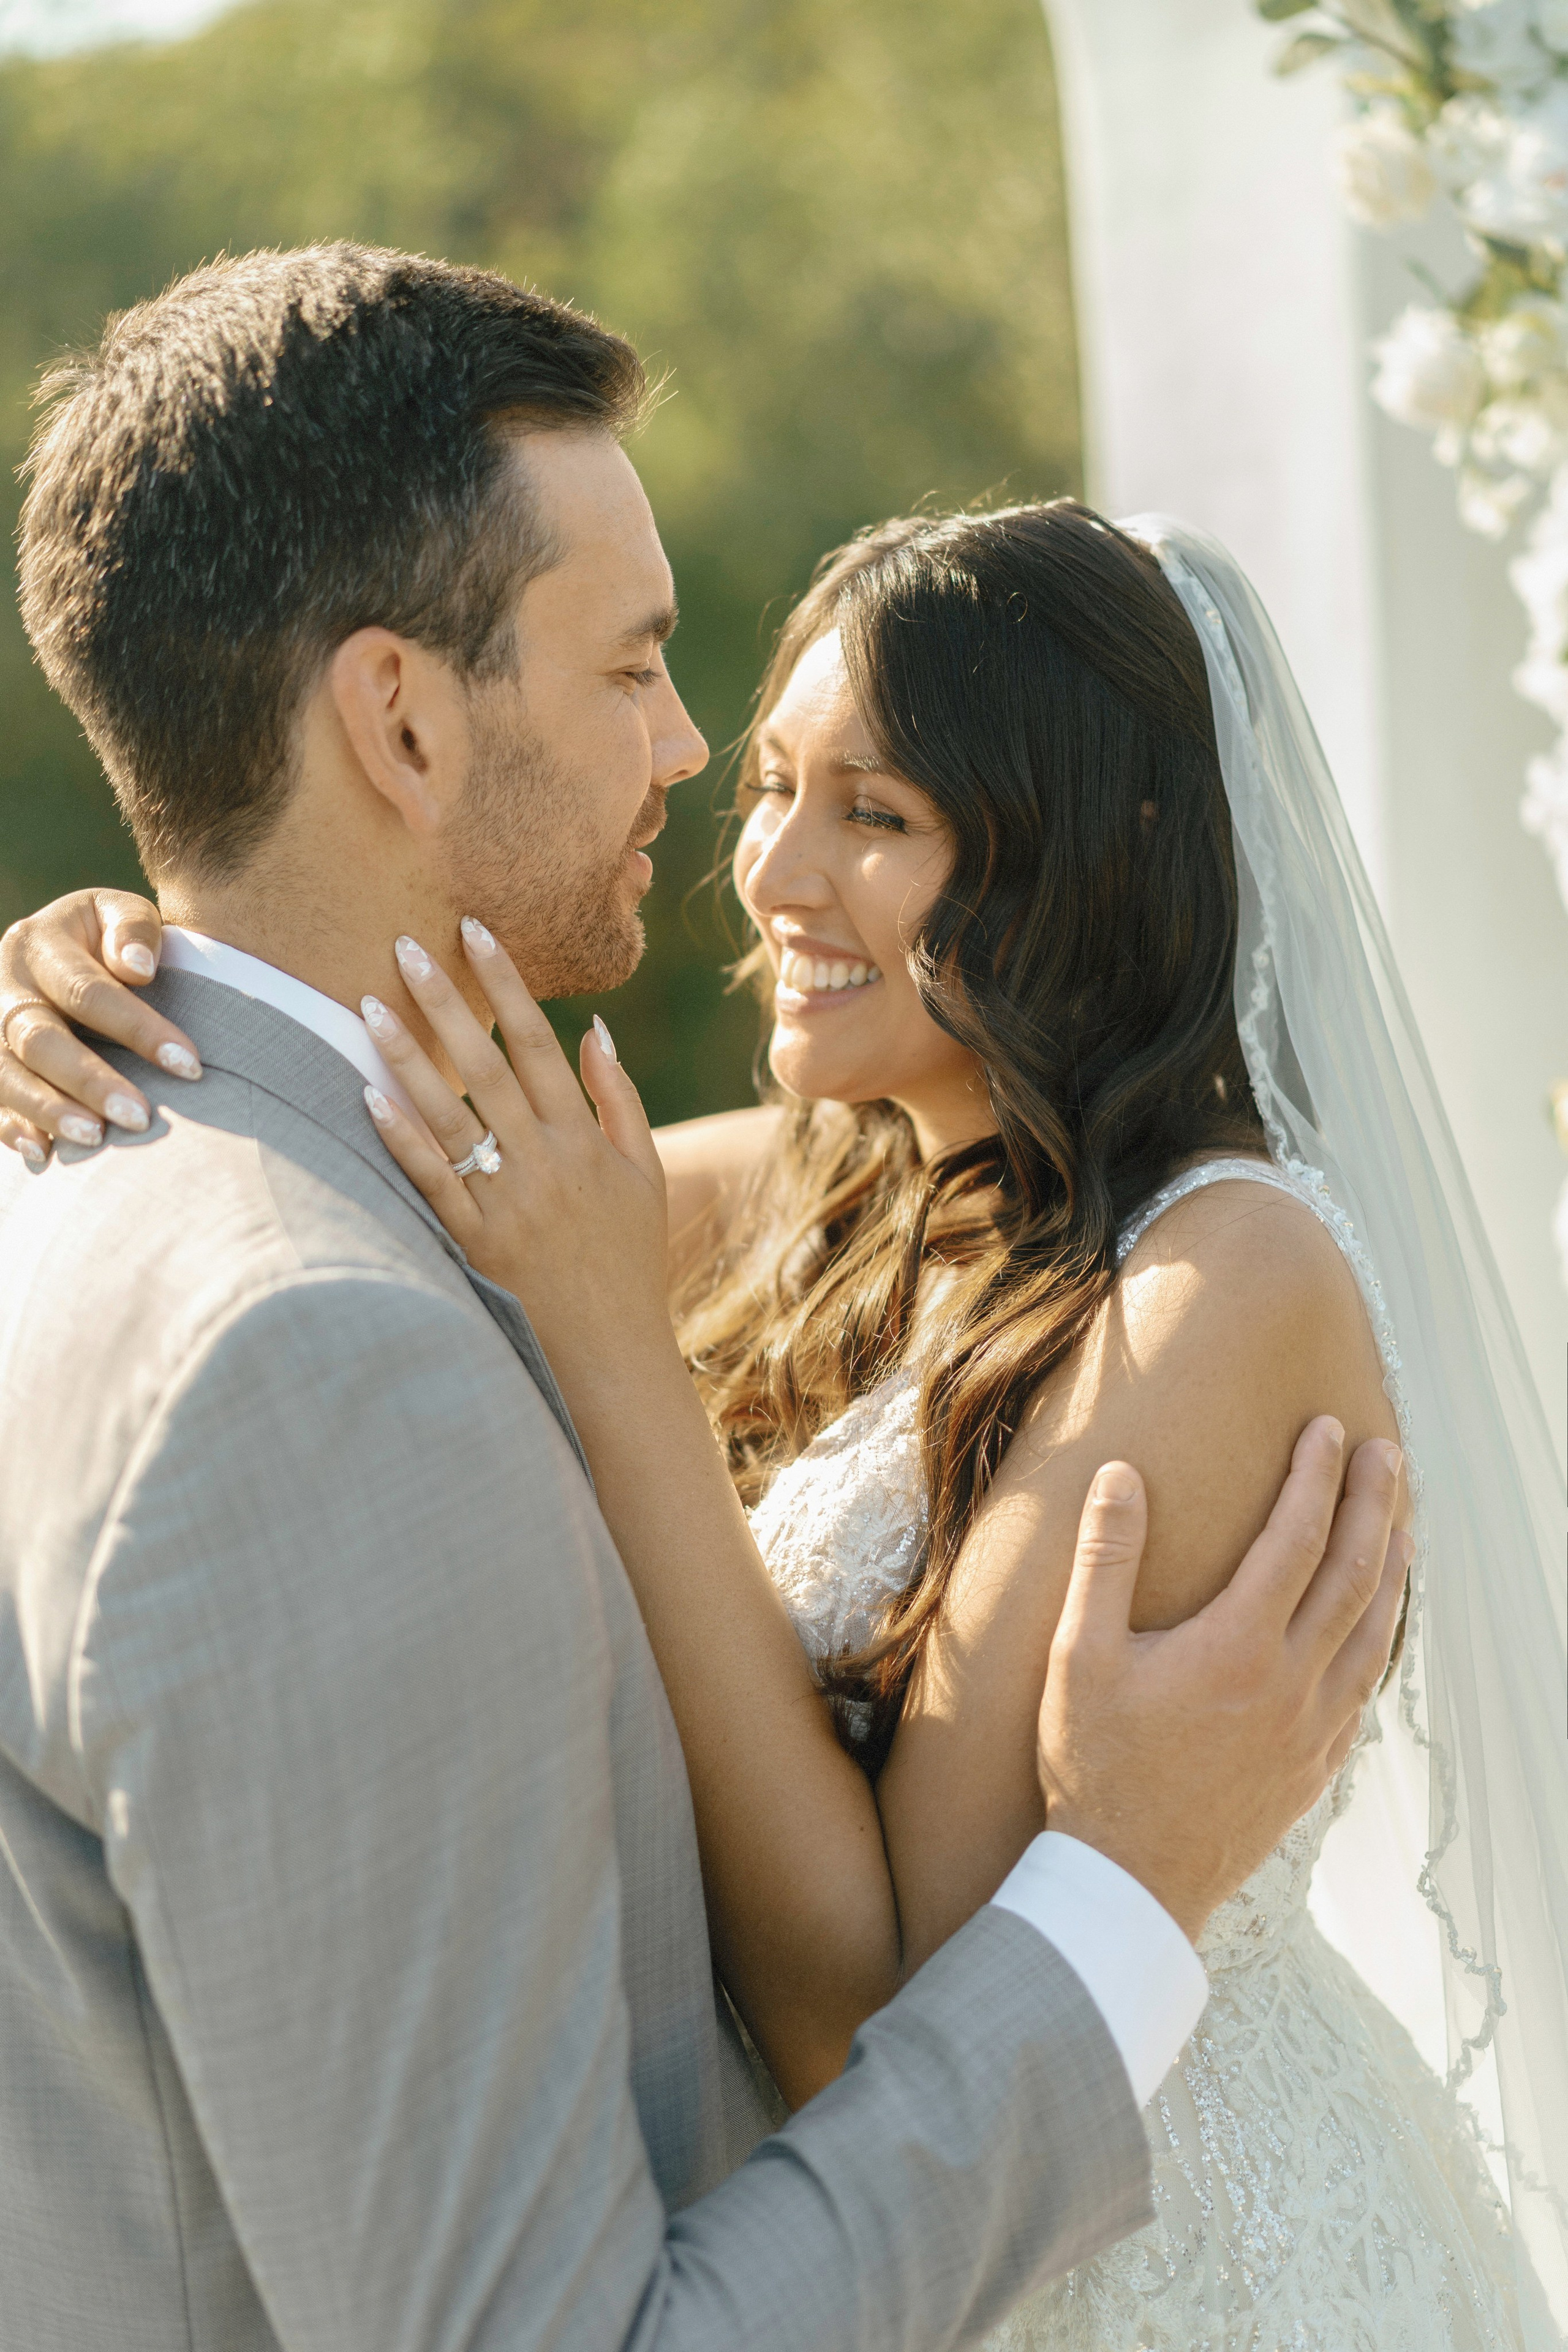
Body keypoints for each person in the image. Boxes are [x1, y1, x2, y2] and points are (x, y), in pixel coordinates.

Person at [0, 244, 1409, 2352]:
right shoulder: (746, 1218)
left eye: (879, 812)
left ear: (1075, 857)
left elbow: (876, 1985)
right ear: (397, 713)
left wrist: (177, 962)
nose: (728, 826)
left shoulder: (1209, 1268)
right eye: (687, 713)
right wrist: (102, 957)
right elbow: (347, 1128)